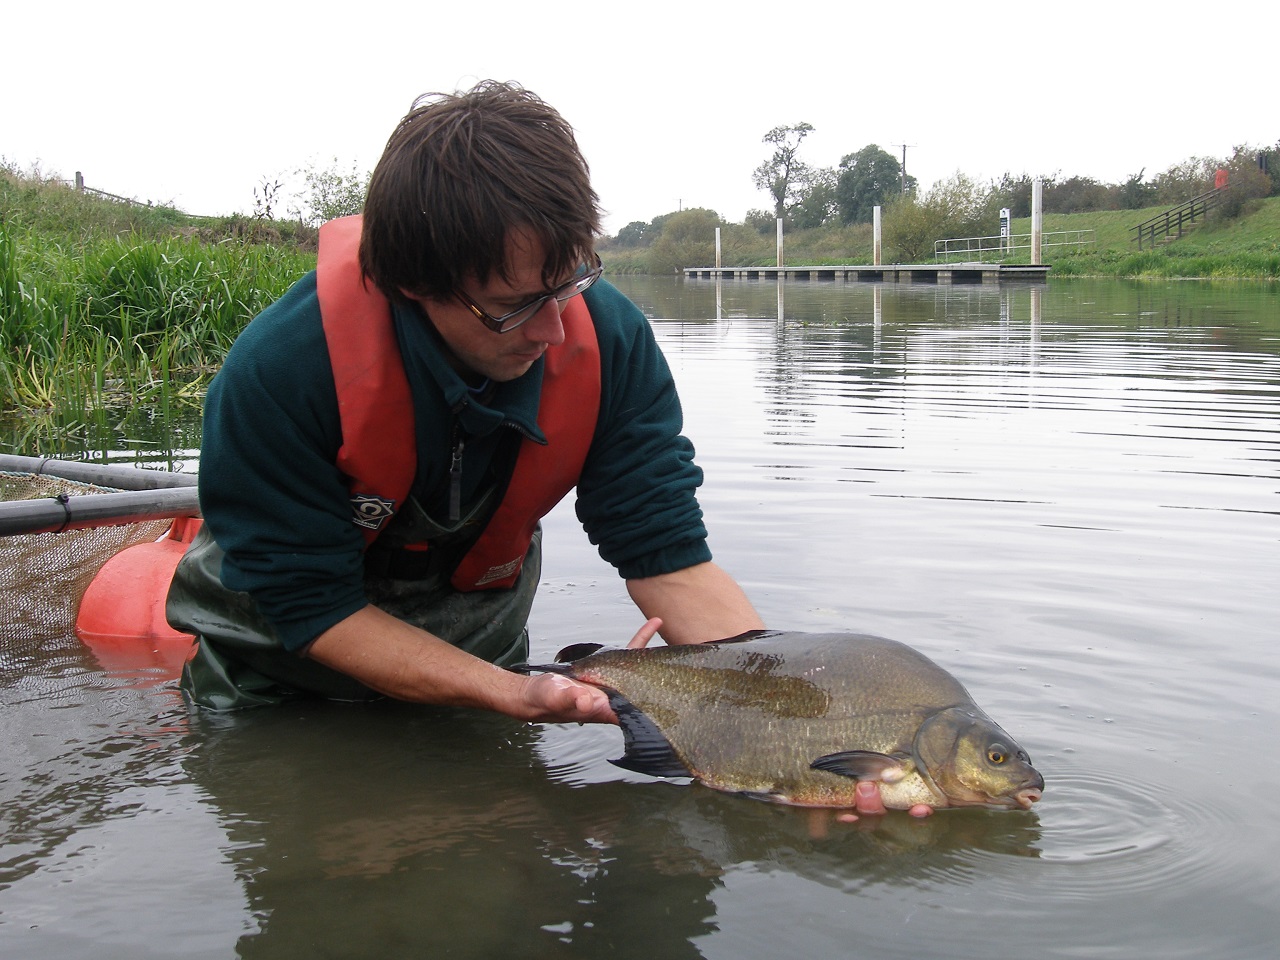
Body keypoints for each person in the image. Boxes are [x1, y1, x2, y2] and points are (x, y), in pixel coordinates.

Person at [166, 81, 901, 817]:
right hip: (280, 692)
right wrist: (518, 694)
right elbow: (312, 611)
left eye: (571, 282)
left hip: (481, 677)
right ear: (415, 285)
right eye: (516, 305)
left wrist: (798, 733)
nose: (554, 330)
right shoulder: (281, 371)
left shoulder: (609, 343)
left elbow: (670, 559)